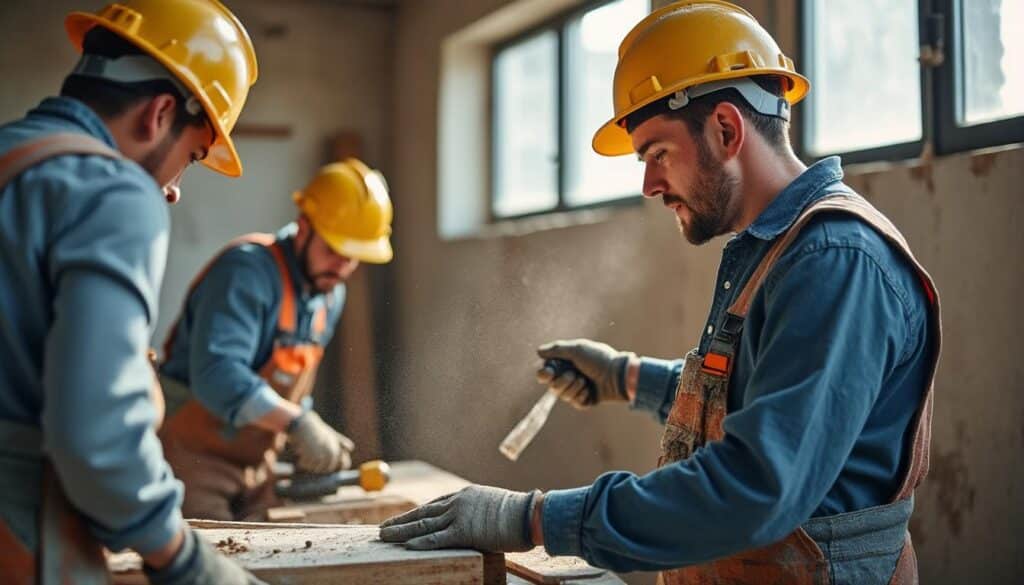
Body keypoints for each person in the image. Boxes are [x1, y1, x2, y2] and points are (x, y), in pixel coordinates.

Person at [379, 2, 941, 584]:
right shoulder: (777, 250)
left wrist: (531, 517)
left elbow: (753, 487)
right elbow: (755, 401)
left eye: (656, 154)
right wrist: (624, 376)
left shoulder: (833, 263)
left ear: (726, 129)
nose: (649, 184)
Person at [0, 1, 264, 583]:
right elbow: (97, 438)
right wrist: (182, 556)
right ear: (161, 112)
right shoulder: (114, 193)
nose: (172, 191)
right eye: (191, 158)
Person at [158, 159, 394, 522]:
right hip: (189, 462)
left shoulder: (328, 295)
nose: (342, 267)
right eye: (333, 250)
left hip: (256, 470)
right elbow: (217, 375)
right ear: (303, 227)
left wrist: (308, 431)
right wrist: (297, 423)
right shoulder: (246, 271)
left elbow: (288, 387)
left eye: (353, 257)